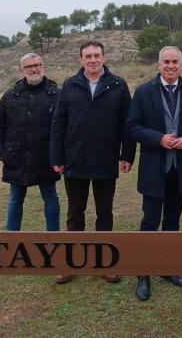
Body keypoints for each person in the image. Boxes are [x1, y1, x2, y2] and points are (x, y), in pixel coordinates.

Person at [125, 46, 182, 301]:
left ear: (181, 65)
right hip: (154, 169)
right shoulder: (143, 92)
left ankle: (168, 267)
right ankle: (144, 273)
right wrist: (158, 138)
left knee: (172, 222)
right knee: (149, 222)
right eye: (166, 62)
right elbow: (132, 126)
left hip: (179, 168)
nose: (171, 66)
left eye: (175, 62)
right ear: (159, 64)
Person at [50, 40, 135, 285]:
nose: (93, 60)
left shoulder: (118, 85)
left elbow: (126, 124)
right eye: (88, 56)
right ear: (81, 60)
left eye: (97, 55)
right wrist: (56, 157)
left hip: (105, 160)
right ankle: (70, 263)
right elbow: (59, 123)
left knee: (104, 213)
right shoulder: (70, 85)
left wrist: (127, 154)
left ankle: (105, 263)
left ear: (104, 57)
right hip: (74, 160)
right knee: (75, 213)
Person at [0, 53, 60, 235]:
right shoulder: (10, 96)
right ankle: (12, 238)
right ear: (22, 70)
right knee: (15, 199)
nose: (34, 69)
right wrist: (0, 151)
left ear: (43, 66)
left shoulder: (56, 94)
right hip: (16, 157)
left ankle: (54, 236)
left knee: (51, 198)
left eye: (37, 65)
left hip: (46, 157)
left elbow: (65, 127)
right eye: (29, 66)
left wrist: (60, 154)